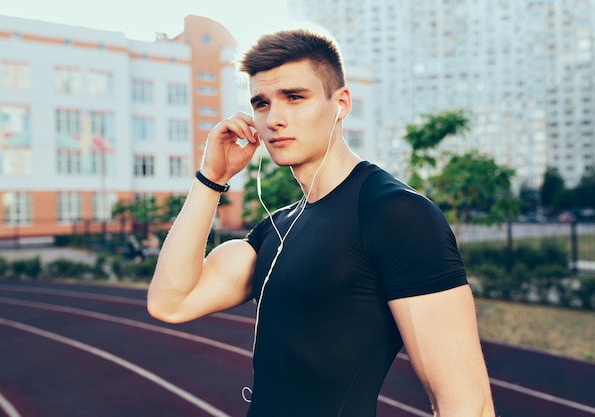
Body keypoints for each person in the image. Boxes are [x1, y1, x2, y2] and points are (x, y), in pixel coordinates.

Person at [147, 25, 496, 417]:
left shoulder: (396, 214)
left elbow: (467, 403)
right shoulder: (276, 228)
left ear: (341, 103)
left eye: (294, 97)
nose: (274, 118)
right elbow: (170, 303)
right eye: (261, 103)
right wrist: (211, 179)